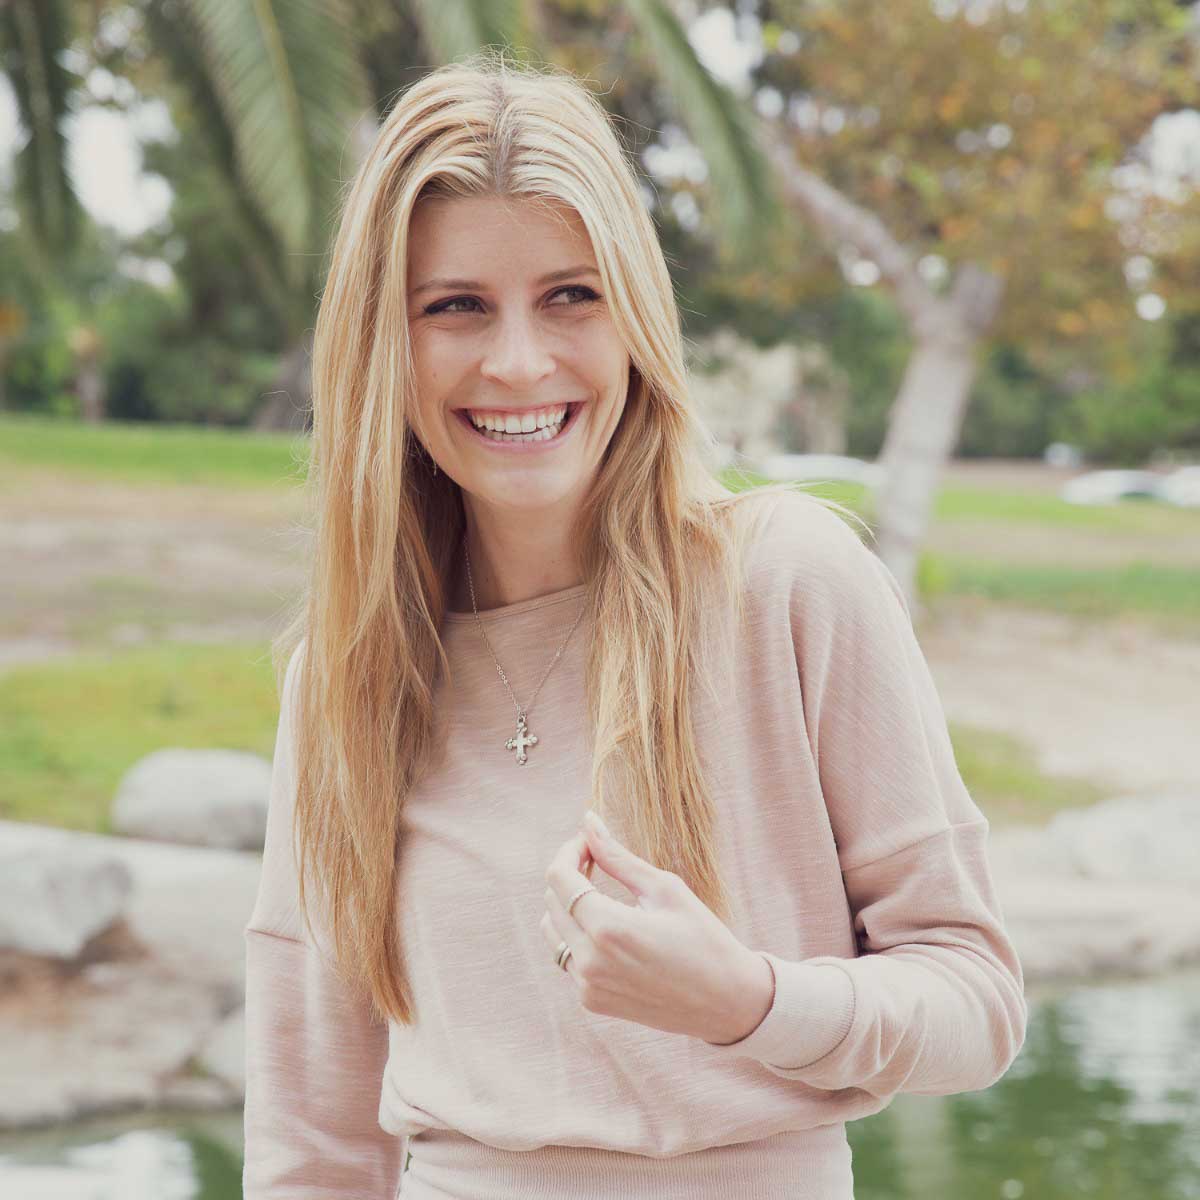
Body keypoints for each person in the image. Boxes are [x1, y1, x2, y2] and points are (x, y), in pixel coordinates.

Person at [241, 49, 1027, 1200]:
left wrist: (748, 1002)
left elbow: (978, 1000)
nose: (519, 362)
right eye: (455, 306)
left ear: (637, 316)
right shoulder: (344, 679)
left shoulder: (790, 583)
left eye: (572, 295)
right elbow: (313, 1141)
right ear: (385, 348)